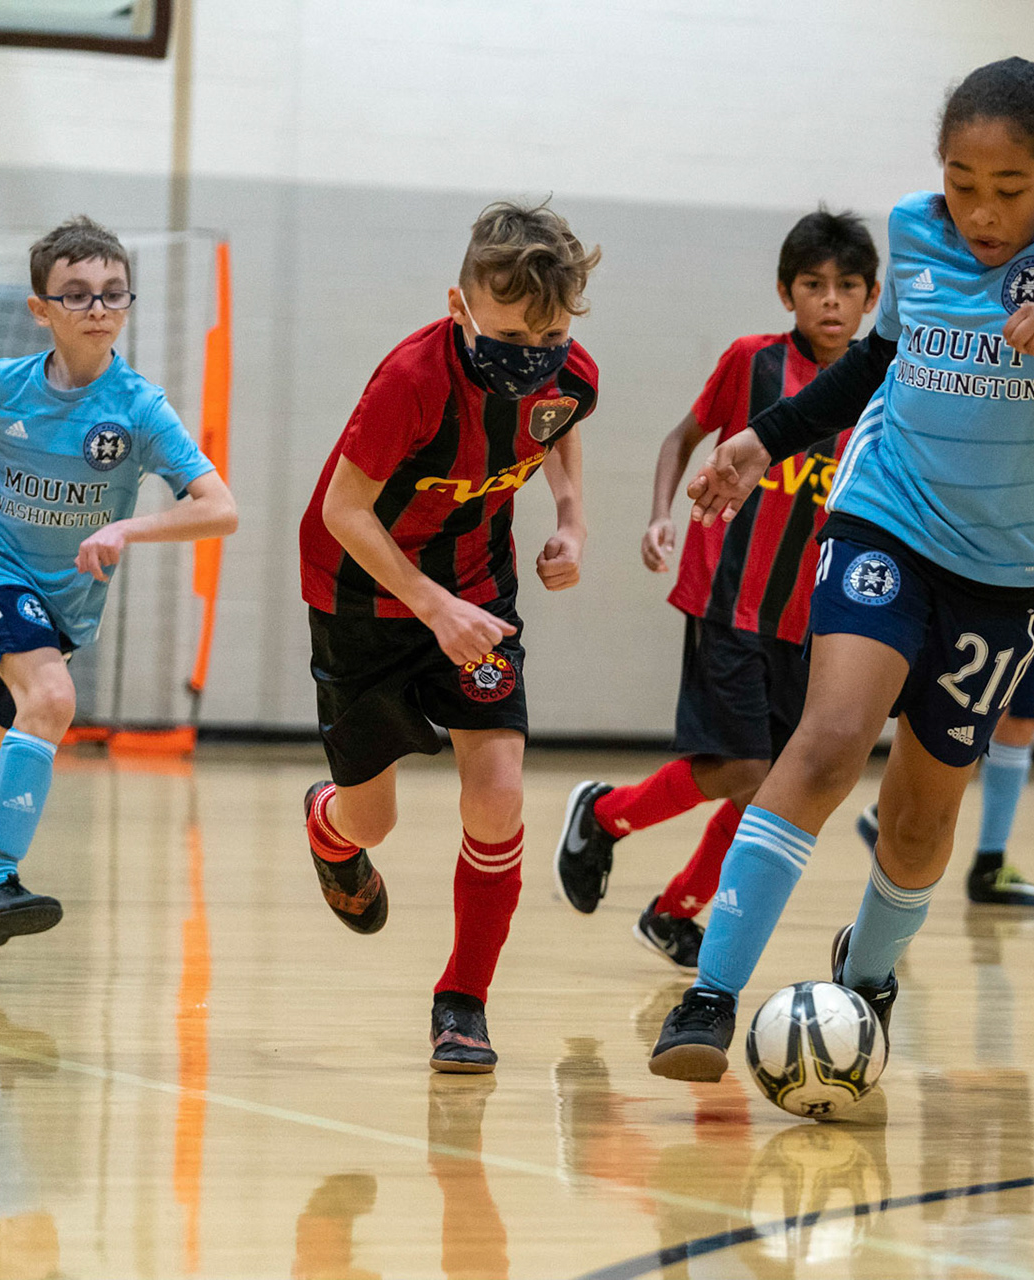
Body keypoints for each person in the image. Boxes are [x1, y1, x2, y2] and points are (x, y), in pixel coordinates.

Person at [647, 57, 1034, 1082]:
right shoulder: (914, 229)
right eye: (962, 182)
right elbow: (874, 362)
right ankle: (709, 993)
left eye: (1008, 189)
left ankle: (868, 975)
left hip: (1004, 572)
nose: (979, 209)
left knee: (927, 808)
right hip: (884, 517)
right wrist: (764, 438)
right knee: (832, 738)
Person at [296, 199, 600, 1072]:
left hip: (478, 586)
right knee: (373, 821)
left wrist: (571, 521)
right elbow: (342, 510)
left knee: (498, 793)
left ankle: (462, 1000)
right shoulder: (414, 379)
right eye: (507, 341)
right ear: (458, 307)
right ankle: (329, 826)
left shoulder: (566, 370)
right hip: (364, 594)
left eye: (542, 343)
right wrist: (432, 606)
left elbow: (562, 423)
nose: (526, 363)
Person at [554, 209, 881, 970]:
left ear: (871, 300)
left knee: (768, 789)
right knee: (743, 771)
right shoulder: (752, 361)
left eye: (848, 287)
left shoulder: (881, 386)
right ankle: (606, 815)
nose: (830, 300)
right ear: (785, 291)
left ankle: (674, 913)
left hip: (811, 621)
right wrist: (660, 516)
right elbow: (681, 437)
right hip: (729, 600)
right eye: (813, 285)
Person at [0, 216, 237, 947]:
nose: (99, 309)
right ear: (40, 310)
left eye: (113, 294)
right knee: (52, 699)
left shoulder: (139, 408)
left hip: (64, 611)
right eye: (77, 295)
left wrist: (125, 528)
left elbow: (221, 509)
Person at [851, 611, 1034, 909]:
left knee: (1018, 721)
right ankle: (900, 815)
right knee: (961, 718)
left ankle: (990, 862)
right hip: (993, 596)